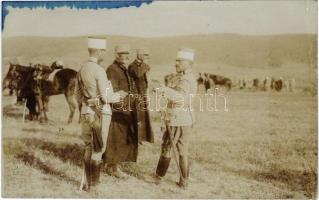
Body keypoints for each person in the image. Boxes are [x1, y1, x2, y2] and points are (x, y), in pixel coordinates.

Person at [77, 37, 122, 191]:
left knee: (88, 147)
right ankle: (94, 187)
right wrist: (119, 96)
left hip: (86, 112)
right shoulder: (99, 70)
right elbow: (106, 97)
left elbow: (78, 96)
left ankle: (86, 183)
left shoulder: (82, 69)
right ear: (99, 51)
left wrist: (87, 104)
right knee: (98, 149)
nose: (105, 52)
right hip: (101, 113)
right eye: (104, 50)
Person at [155, 48, 197, 189]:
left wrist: (162, 90)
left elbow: (179, 99)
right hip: (185, 119)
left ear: (189, 63)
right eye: (176, 60)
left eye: (180, 61)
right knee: (183, 151)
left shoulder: (185, 79)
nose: (176, 63)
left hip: (177, 119)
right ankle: (184, 181)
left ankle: (158, 177)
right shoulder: (182, 77)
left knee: (167, 148)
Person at [103, 45, 138, 179]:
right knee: (115, 139)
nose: (127, 56)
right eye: (124, 54)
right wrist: (122, 106)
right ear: (117, 55)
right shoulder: (112, 70)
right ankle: (112, 167)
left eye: (128, 53)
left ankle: (112, 165)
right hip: (118, 110)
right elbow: (112, 91)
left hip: (125, 109)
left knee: (120, 138)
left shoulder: (123, 69)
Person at [128, 48, 154, 144]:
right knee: (137, 117)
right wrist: (146, 65)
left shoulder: (141, 65)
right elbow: (138, 74)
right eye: (145, 54)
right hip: (136, 95)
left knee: (143, 117)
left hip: (142, 94)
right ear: (139, 55)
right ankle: (136, 138)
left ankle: (141, 138)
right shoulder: (132, 66)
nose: (147, 57)